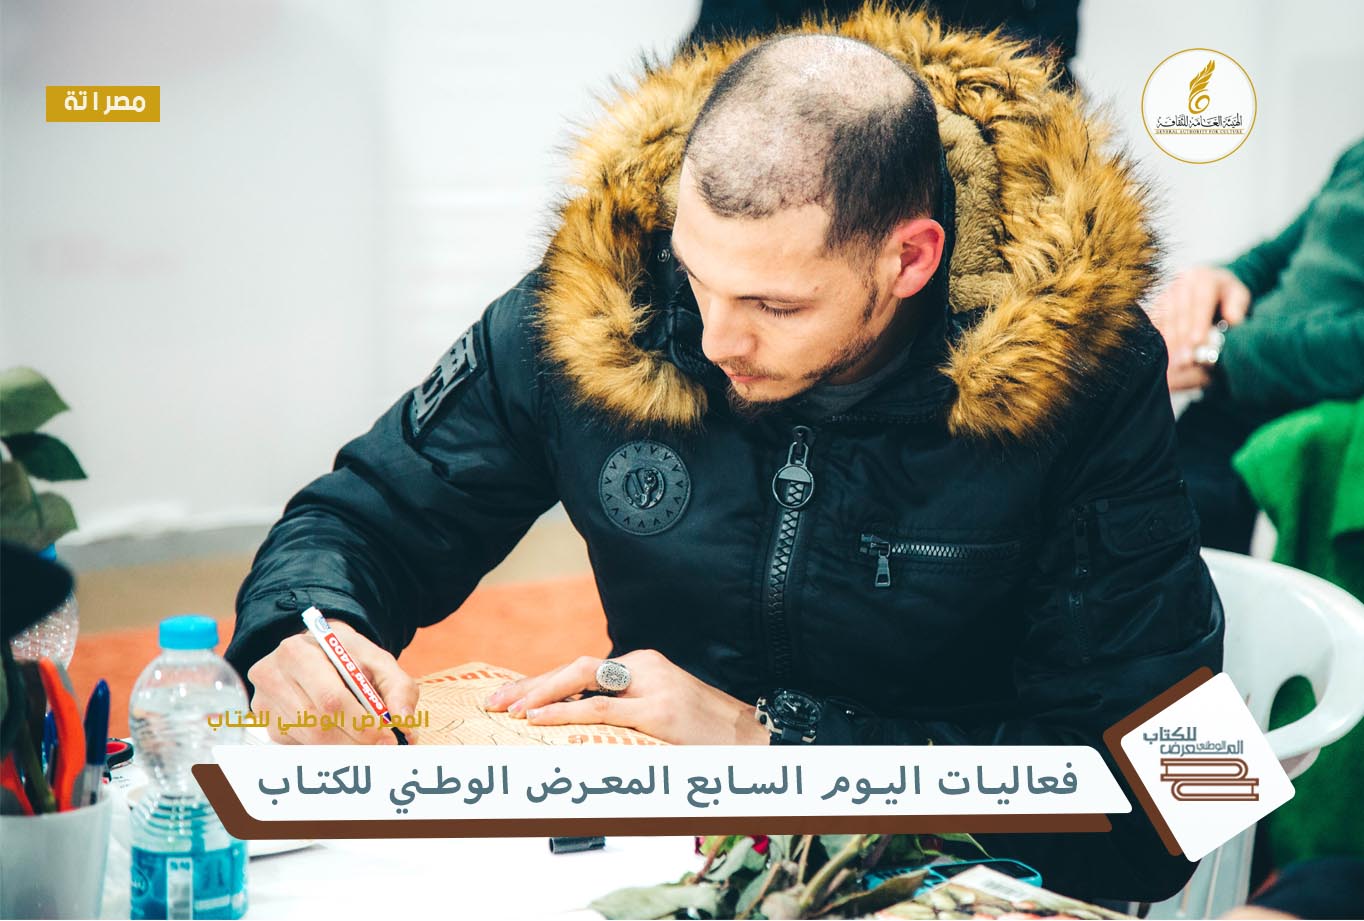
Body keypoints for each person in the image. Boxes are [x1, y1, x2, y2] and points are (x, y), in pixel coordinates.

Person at [226, 10, 1221, 902]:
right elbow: (362, 517)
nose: (714, 341)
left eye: (776, 306)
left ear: (909, 258)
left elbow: (1179, 797)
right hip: (657, 869)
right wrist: (306, 626)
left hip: (942, 884)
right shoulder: (597, 303)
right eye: (698, 276)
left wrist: (773, 746)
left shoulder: (1090, 369)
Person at [1153, 137, 1364, 554]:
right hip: (1234, 391)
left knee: (1173, 525)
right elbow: (1272, 258)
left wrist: (1219, 353)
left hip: (1302, 403)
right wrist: (1214, 283)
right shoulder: (1357, 158)